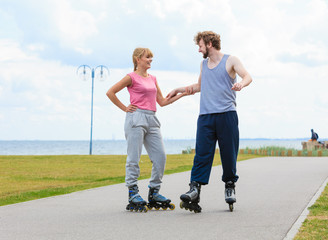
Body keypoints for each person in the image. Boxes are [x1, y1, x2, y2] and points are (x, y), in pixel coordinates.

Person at [167, 31, 253, 213]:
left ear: (209, 43)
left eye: (200, 46)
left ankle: (230, 186)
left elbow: (247, 76)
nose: (199, 50)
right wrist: (179, 90)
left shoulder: (231, 60)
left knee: (228, 153)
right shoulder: (203, 64)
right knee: (202, 154)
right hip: (205, 116)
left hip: (226, 115)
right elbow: (200, 86)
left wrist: (241, 84)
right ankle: (194, 189)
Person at [106, 47, 187, 212]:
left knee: (160, 157)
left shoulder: (153, 78)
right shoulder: (131, 77)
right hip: (136, 118)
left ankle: (154, 191)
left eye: (151, 58)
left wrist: (182, 94)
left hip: (152, 118)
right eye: (147, 57)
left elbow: (162, 102)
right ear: (138, 59)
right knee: (134, 158)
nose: (150, 60)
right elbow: (110, 92)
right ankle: (132, 192)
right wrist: (124, 108)